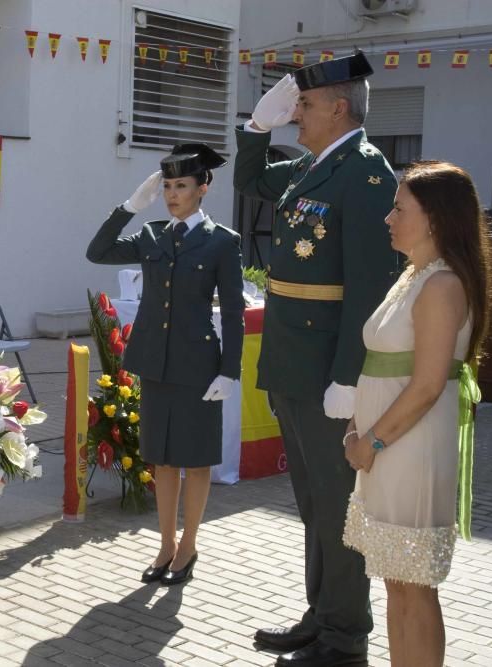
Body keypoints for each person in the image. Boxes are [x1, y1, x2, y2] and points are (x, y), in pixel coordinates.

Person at [233, 52, 399, 667]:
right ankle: (321, 613)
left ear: (338, 106)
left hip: (328, 371)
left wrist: (349, 379)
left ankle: (346, 637)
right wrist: (255, 129)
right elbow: (250, 181)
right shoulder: (313, 170)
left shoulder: (366, 175)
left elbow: (370, 287)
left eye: (303, 104)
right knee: (313, 504)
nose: (295, 113)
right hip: (292, 363)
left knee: (337, 506)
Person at [342, 161, 491, 667]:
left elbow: (427, 385)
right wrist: (356, 425)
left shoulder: (442, 286)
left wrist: (371, 441)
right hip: (387, 446)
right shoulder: (415, 276)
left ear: (434, 219)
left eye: (399, 208)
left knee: (414, 587)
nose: (388, 217)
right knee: (395, 582)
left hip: (408, 449)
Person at [87, 143, 244, 586]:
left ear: (202, 188)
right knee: (162, 461)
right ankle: (166, 544)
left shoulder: (221, 242)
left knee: (195, 462)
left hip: (198, 368)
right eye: (168, 186)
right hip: (156, 365)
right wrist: (129, 207)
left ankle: (189, 545)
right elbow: (97, 252)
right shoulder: (152, 235)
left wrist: (229, 370)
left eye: (182, 186)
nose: (173, 194)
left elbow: (232, 311)